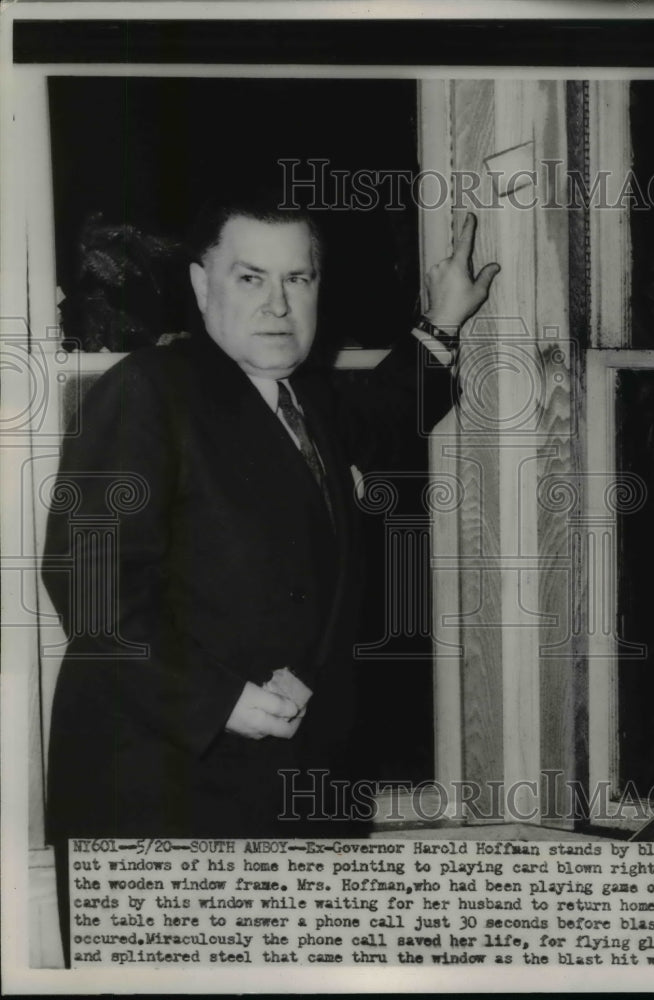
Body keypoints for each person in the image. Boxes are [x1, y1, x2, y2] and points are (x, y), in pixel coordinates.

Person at [43, 194, 499, 847]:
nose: (278, 304)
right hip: (167, 795)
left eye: (298, 278)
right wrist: (216, 699)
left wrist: (444, 321)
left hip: (293, 786)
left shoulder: (302, 393)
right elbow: (90, 590)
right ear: (203, 286)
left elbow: (384, 416)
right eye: (251, 278)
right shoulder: (147, 389)